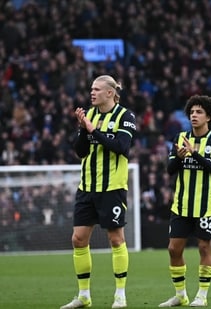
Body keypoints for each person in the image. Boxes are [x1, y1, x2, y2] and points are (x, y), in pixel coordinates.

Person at [61, 75, 136, 309]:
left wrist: (94, 131)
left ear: (110, 93)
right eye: (91, 89)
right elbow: (80, 152)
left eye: (96, 89)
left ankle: (120, 294)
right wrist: (84, 130)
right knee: (78, 239)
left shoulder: (125, 116)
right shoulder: (89, 115)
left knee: (116, 239)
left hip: (112, 188)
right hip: (87, 188)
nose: (91, 93)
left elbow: (121, 147)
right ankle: (84, 295)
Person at [158, 95, 211, 307]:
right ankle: (180, 295)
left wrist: (194, 154)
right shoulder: (179, 138)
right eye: (192, 112)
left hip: (207, 206)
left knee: (204, 247)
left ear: (209, 116)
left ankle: (202, 296)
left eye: (199, 112)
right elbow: (170, 170)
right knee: (173, 249)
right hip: (182, 204)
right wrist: (179, 157)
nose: (194, 115)